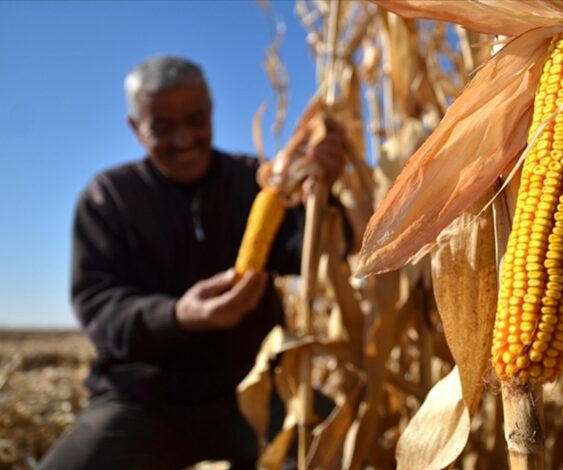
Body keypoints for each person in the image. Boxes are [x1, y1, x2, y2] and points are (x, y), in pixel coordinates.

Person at [38, 55, 346, 470]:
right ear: (135, 127)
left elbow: (317, 252)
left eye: (196, 120)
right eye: (163, 127)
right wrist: (179, 316)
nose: (184, 139)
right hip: (144, 396)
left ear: (211, 112)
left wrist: (323, 194)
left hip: (253, 385)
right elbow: (99, 306)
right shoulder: (108, 198)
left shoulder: (251, 180)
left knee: (336, 449)